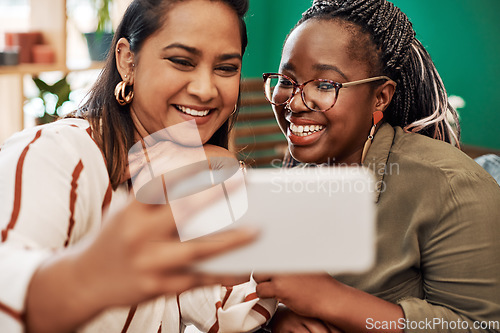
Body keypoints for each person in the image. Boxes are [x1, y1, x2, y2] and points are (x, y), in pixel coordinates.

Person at [0, 0, 277, 332]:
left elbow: (229, 316)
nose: (205, 89)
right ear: (127, 60)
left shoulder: (195, 173)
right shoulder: (54, 154)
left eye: (226, 68)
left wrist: (220, 163)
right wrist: (86, 276)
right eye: (181, 61)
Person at [254, 0, 500, 332]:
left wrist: (332, 300)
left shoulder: (452, 185)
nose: (295, 102)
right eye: (286, 80)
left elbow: (480, 326)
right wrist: (281, 316)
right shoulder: (296, 182)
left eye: (325, 85)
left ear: (380, 97)